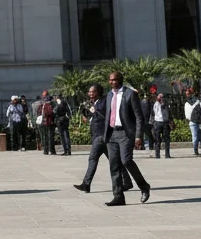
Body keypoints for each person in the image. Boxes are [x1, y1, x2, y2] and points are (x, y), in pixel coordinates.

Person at [104, 71, 152, 207]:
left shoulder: (130, 94)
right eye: (110, 80)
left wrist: (138, 136)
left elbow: (138, 117)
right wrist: (105, 134)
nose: (111, 82)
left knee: (126, 160)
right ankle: (118, 196)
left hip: (126, 133)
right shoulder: (109, 95)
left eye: (114, 80)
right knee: (114, 165)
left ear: (120, 80)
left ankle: (144, 186)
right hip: (112, 133)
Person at [74, 84, 131, 194]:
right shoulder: (95, 103)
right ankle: (127, 181)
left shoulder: (104, 102)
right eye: (89, 92)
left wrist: (94, 111)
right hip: (101, 137)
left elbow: (106, 116)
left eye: (93, 92)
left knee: (92, 158)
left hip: (101, 136)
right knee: (115, 161)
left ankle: (86, 183)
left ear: (98, 92)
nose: (90, 94)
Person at [151, 93, 172, 158]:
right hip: (159, 123)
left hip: (162, 123)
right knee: (159, 140)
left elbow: (169, 113)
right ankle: (159, 154)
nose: (161, 98)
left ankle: (165, 154)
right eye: (160, 97)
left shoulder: (164, 104)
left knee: (165, 139)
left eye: (162, 97)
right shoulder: (157, 104)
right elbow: (152, 114)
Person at [185, 92, 201, 156]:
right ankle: (196, 151)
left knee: (200, 137)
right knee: (196, 137)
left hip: (196, 122)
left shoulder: (200, 104)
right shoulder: (198, 103)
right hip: (194, 122)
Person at [37, 91, 56, 155]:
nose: (44, 97)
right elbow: (38, 112)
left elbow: (52, 113)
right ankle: (46, 150)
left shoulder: (52, 104)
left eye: (45, 96)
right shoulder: (41, 105)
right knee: (44, 137)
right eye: (43, 96)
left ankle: (51, 150)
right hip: (43, 122)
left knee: (50, 137)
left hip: (50, 122)